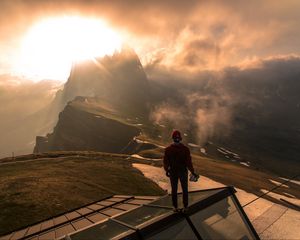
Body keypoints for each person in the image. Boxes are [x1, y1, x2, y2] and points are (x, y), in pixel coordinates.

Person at [163, 130, 196, 211]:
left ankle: (175, 207)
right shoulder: (185, 149)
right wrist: (192, 171)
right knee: (185, 189)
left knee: (174, 189)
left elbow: (165, 162)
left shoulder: (168, 149)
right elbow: (189, 162)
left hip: (173, 172)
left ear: (173, 138)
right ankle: (185, 206)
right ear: (180, 138)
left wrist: (167, 170)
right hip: (183, 171)